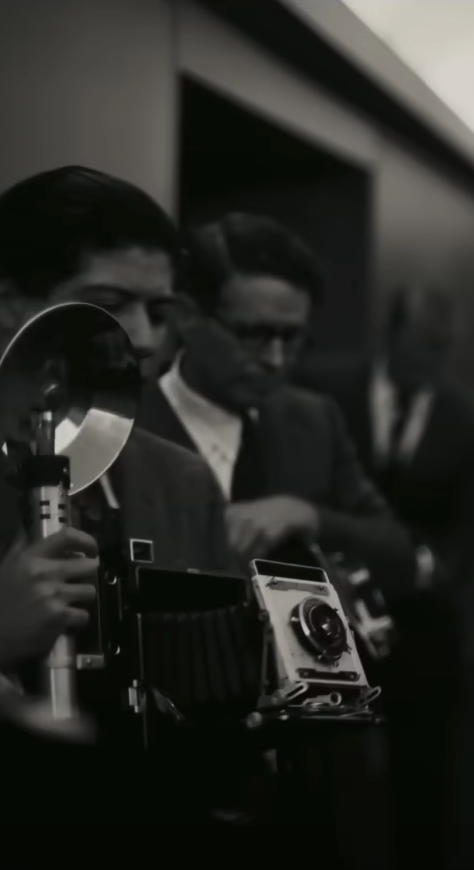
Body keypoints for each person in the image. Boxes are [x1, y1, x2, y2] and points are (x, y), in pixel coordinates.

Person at [0, 165, 237, 854]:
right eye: (110, 300)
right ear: (11, 301)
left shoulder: (184, 478)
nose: (141, 335)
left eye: (158, 311)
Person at [143, 212, 414, 589]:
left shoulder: (315, 420)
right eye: (253, 334)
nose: (275, 360)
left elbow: (399, 551)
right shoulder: (122, 425)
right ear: (187, 316)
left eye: (291, 338)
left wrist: (306, 515)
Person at [299, 282, 474, 589]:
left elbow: (473, 524)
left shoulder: (469, 420)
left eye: (442, 346)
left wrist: (434, 573)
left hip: (419, 600)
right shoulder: (323, 387)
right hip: (326, 580)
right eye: (422, 342)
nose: (432, 358)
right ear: (391, 333)